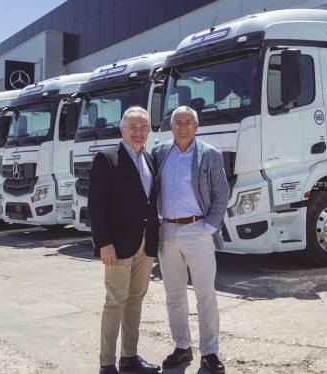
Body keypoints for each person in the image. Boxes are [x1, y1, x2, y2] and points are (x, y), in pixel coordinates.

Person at [152, 106, 229, 374]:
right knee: (174, 294)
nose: (183, 126)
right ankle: (182, 347)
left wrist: (209, 227)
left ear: (196, 126)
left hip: (198, 229)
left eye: (188, 122)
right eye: (177, 122)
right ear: (170, 126)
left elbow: (221, 193)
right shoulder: (160, 153)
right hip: (167, 231)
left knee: (205, 294)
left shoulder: (210, 154)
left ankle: (209, 352)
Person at [88, 106, 160, 374]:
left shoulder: (150, 159)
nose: (139, 132)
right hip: (117, 245)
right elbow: (96, 205)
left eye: (144, 127)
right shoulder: (107, 159)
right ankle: (107, 363)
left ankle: (129, 358)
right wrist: (103, 242)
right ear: (122, 129)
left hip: (145, 244)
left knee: (136, 299)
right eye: (134, 127)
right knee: (116, 300)